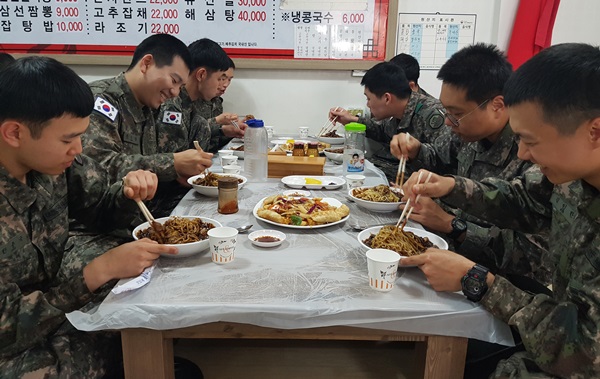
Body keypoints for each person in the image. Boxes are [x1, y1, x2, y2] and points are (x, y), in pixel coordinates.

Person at [401, 42, 600, 378]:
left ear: (594, 131)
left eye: (531, 141)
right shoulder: (573, 176)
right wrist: (452, 186)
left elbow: (583, 355)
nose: (522, 154)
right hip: (551, 322)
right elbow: (523, 200)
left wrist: (478, 281)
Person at [0, 56, 178, 378]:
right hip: (15, 338)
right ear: (14, 133)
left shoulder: (53, 165)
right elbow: (7, 328)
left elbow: (100, 207)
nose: (78, 149)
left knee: (140, 302)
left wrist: (128, 192)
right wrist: (97, 272)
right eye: (68, 139)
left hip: (52, 311)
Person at [390, 43, 550, 285]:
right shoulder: (465, 132)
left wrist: (450, 223)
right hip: (453, 255)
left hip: (498, 281)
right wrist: (416, 150)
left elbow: (531, 257)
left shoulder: (537, 155)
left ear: (497, 105)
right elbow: (439, 159)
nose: (447, 122)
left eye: (456, 113)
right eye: (446, 112)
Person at [82, 34, 212, 221]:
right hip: (99, 224)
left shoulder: (148, 106)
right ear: (146, 64)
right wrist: (172, 163)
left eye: (181, 86)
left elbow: (148, 161)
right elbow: (98, 167)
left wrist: (178, 173)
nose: (175, 92)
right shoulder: (101, 101)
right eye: (174, 81)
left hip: (140, 214)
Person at [329, 61, 446, 182]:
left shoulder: (433, 114)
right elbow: (382, 130)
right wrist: (351, 120)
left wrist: (417, 150)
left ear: (387, 98)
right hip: (387, 173)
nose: (368, 104)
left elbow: (444, 163)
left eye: (369, 98)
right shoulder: (398, 111)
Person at [157, 39, 244, 155]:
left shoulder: (194, 103)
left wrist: (223, 131)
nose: (223, 85)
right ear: (201, 75)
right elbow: (173, 159)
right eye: (220, 79)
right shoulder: (172, 105)